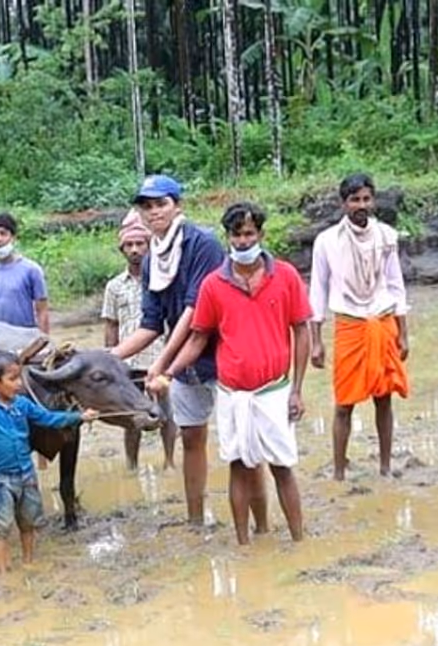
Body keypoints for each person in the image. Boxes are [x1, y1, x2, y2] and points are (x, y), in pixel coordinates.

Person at [149, 202, 309, 545]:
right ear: (228, 237)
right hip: (233, 393)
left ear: (261, 235)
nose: (243, 241)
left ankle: (299, 542)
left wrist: (297, 390)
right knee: (238, 465)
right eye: (236, 234)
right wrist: (170, 371)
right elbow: (198, 337)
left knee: (282, 466)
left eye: (249, 233)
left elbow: (301, 330)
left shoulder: (286, 276)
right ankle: (243, 544)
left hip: (274, 390)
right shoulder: (213, 285)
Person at [111, 175, 228, 527]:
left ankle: (256, 517)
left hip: (223, 354)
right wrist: (108, 357)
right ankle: (195, 520)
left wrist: (162, 365)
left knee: (242, 442)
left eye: (160, 203)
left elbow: (195, 313)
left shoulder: (202, 244)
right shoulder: (151, 261)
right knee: (191, 437)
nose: (153, 212)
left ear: (177, 205)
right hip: (184, 363)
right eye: (146, 206)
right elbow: (150, 324)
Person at [0, 350, 96, 573]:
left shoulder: (23, 404)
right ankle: (2, 570)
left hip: (27, 475)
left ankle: (28, 562)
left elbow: (48, 418)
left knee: (28, 523)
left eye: (19, 377)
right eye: (13, 379)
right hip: (1, 480)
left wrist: (78, 416)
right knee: (1, 527)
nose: (19, 384)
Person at [309, 173, 411, 480]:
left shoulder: (387, 237)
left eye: (366, 199)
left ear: (373, 201)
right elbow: (317, 291)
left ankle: (385, 467)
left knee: (384, 398)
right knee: (344, 404)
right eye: (355, 199)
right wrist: (316, 340)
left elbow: (396, 286)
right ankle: (339, 472)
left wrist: (403, 333)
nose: (361, 205)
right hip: (349, 325)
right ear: (344, 204)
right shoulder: (326, 241)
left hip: (382, 322)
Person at [102, 210, 176, 470]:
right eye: (129, 245)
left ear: (149, 246)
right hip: (127, 363)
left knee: (167, 413)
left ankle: (169, 462)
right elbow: (111, 324)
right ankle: (131, 465)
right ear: (122, 249)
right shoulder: (114, 286)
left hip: (160, 357)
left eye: (140, 244)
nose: (135, 249)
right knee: (131, 417)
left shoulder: (164, 280)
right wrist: (109, 358)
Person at [0, 212, 50, 332]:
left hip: (27, 340)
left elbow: (42, 311)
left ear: (13, 237)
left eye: (3, 233)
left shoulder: (31, 270)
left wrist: (44, 342)